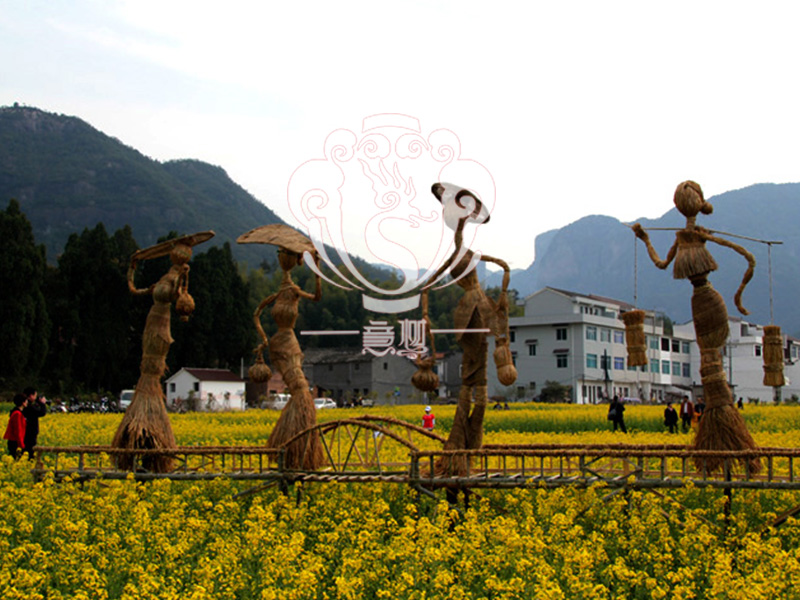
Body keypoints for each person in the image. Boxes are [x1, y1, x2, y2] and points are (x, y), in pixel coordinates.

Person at [21, 387, 46, 460]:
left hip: (26, 432)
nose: (35, 398)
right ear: (31, 396)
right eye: (35, 396)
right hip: (30, 433)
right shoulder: (28, 407)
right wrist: (42, 404)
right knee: (30, 451)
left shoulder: (24, 406)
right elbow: (41, 413)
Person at [4, 394, 27, 459]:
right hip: (15, 442)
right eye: (26, 401)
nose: (27, 402)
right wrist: (21, 444)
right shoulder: (17, 414)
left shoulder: (17, 412)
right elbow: (18, 430)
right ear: (23, 403)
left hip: (15, 441)